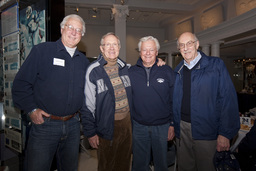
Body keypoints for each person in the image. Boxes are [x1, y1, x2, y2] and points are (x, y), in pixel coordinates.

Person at [12, 14, 90, 171]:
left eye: (79, 30)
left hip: (73, 126)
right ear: (62, 29)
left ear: (82, 35)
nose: (74, 32)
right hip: (45, 126)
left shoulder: (83, 61)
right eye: (70, 27)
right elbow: (21, 84)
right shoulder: (42, 51)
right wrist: (32, 109)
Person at [172, 32, 240, 171]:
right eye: (181, 45)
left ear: (197, 44)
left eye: (189, 43)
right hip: (182, 130)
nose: (185, 48)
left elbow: (228, 99)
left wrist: (225, 133)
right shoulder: (177, 71)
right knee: (185, 167)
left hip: (207, 131)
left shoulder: (215, 66)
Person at [81, 32, 133, 171]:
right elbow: (87, 105)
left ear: (119, 47)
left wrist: (159, 61)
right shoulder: (93, 71)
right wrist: (90, 132)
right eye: (107, 44)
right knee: (106, 165)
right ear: (101, 48)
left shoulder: (126, 68)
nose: (111, 47)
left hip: (127, 126)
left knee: (124, 163)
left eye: (114, 44)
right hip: (106, 126)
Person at [129, 36, 175, 171]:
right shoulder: (131, 72)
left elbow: (173, 99)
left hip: (162, 126)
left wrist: (172, 124)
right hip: (139, 126)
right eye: (144, 50)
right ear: (139, 52)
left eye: (151, 50)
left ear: (156, 52)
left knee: (161, 164)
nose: (148, 53)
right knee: (139, 164)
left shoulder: (167, 71)